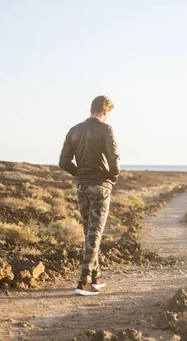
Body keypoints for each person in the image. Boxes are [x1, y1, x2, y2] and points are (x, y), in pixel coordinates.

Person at [58, 95, 120, 296]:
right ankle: (83, 282)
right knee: (94, 233)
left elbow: (63, 161)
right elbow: (114, 161)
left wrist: (79, 174)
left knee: (90, 232)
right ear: (104, 111)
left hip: (82, 186)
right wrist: (111, 178)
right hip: (100, 187)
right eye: (109, 113)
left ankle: (95, 277)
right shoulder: (106, 129)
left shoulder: (74, 130)